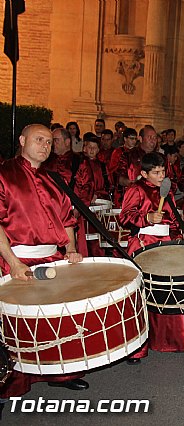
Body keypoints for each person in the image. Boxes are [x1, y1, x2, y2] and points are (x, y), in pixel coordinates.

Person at [0, 124, 89, 410]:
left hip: (52, 259)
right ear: (22, 140)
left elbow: (67, 221)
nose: (45, 146)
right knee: (19, 325)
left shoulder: (55, 180)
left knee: (55, 320)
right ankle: (14, 381)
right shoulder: (3, 175)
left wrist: (72, 249)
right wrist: (13, 263)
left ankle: (60, 373)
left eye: (50, 142)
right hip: (17, 260)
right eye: (39, 140)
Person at [119, 152, 184, 362]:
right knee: (141, 296)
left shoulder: (169, 192)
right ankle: (136, 347)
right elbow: (124, 216)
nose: (161, 175)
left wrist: (177, 237)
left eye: (163, 171)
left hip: (165, 245)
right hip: (143, 243)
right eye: (156, 172)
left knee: (167, 292)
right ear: (144, 173)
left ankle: (169, 341)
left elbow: (174, 221)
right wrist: (146, 218)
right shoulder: (136, 189)